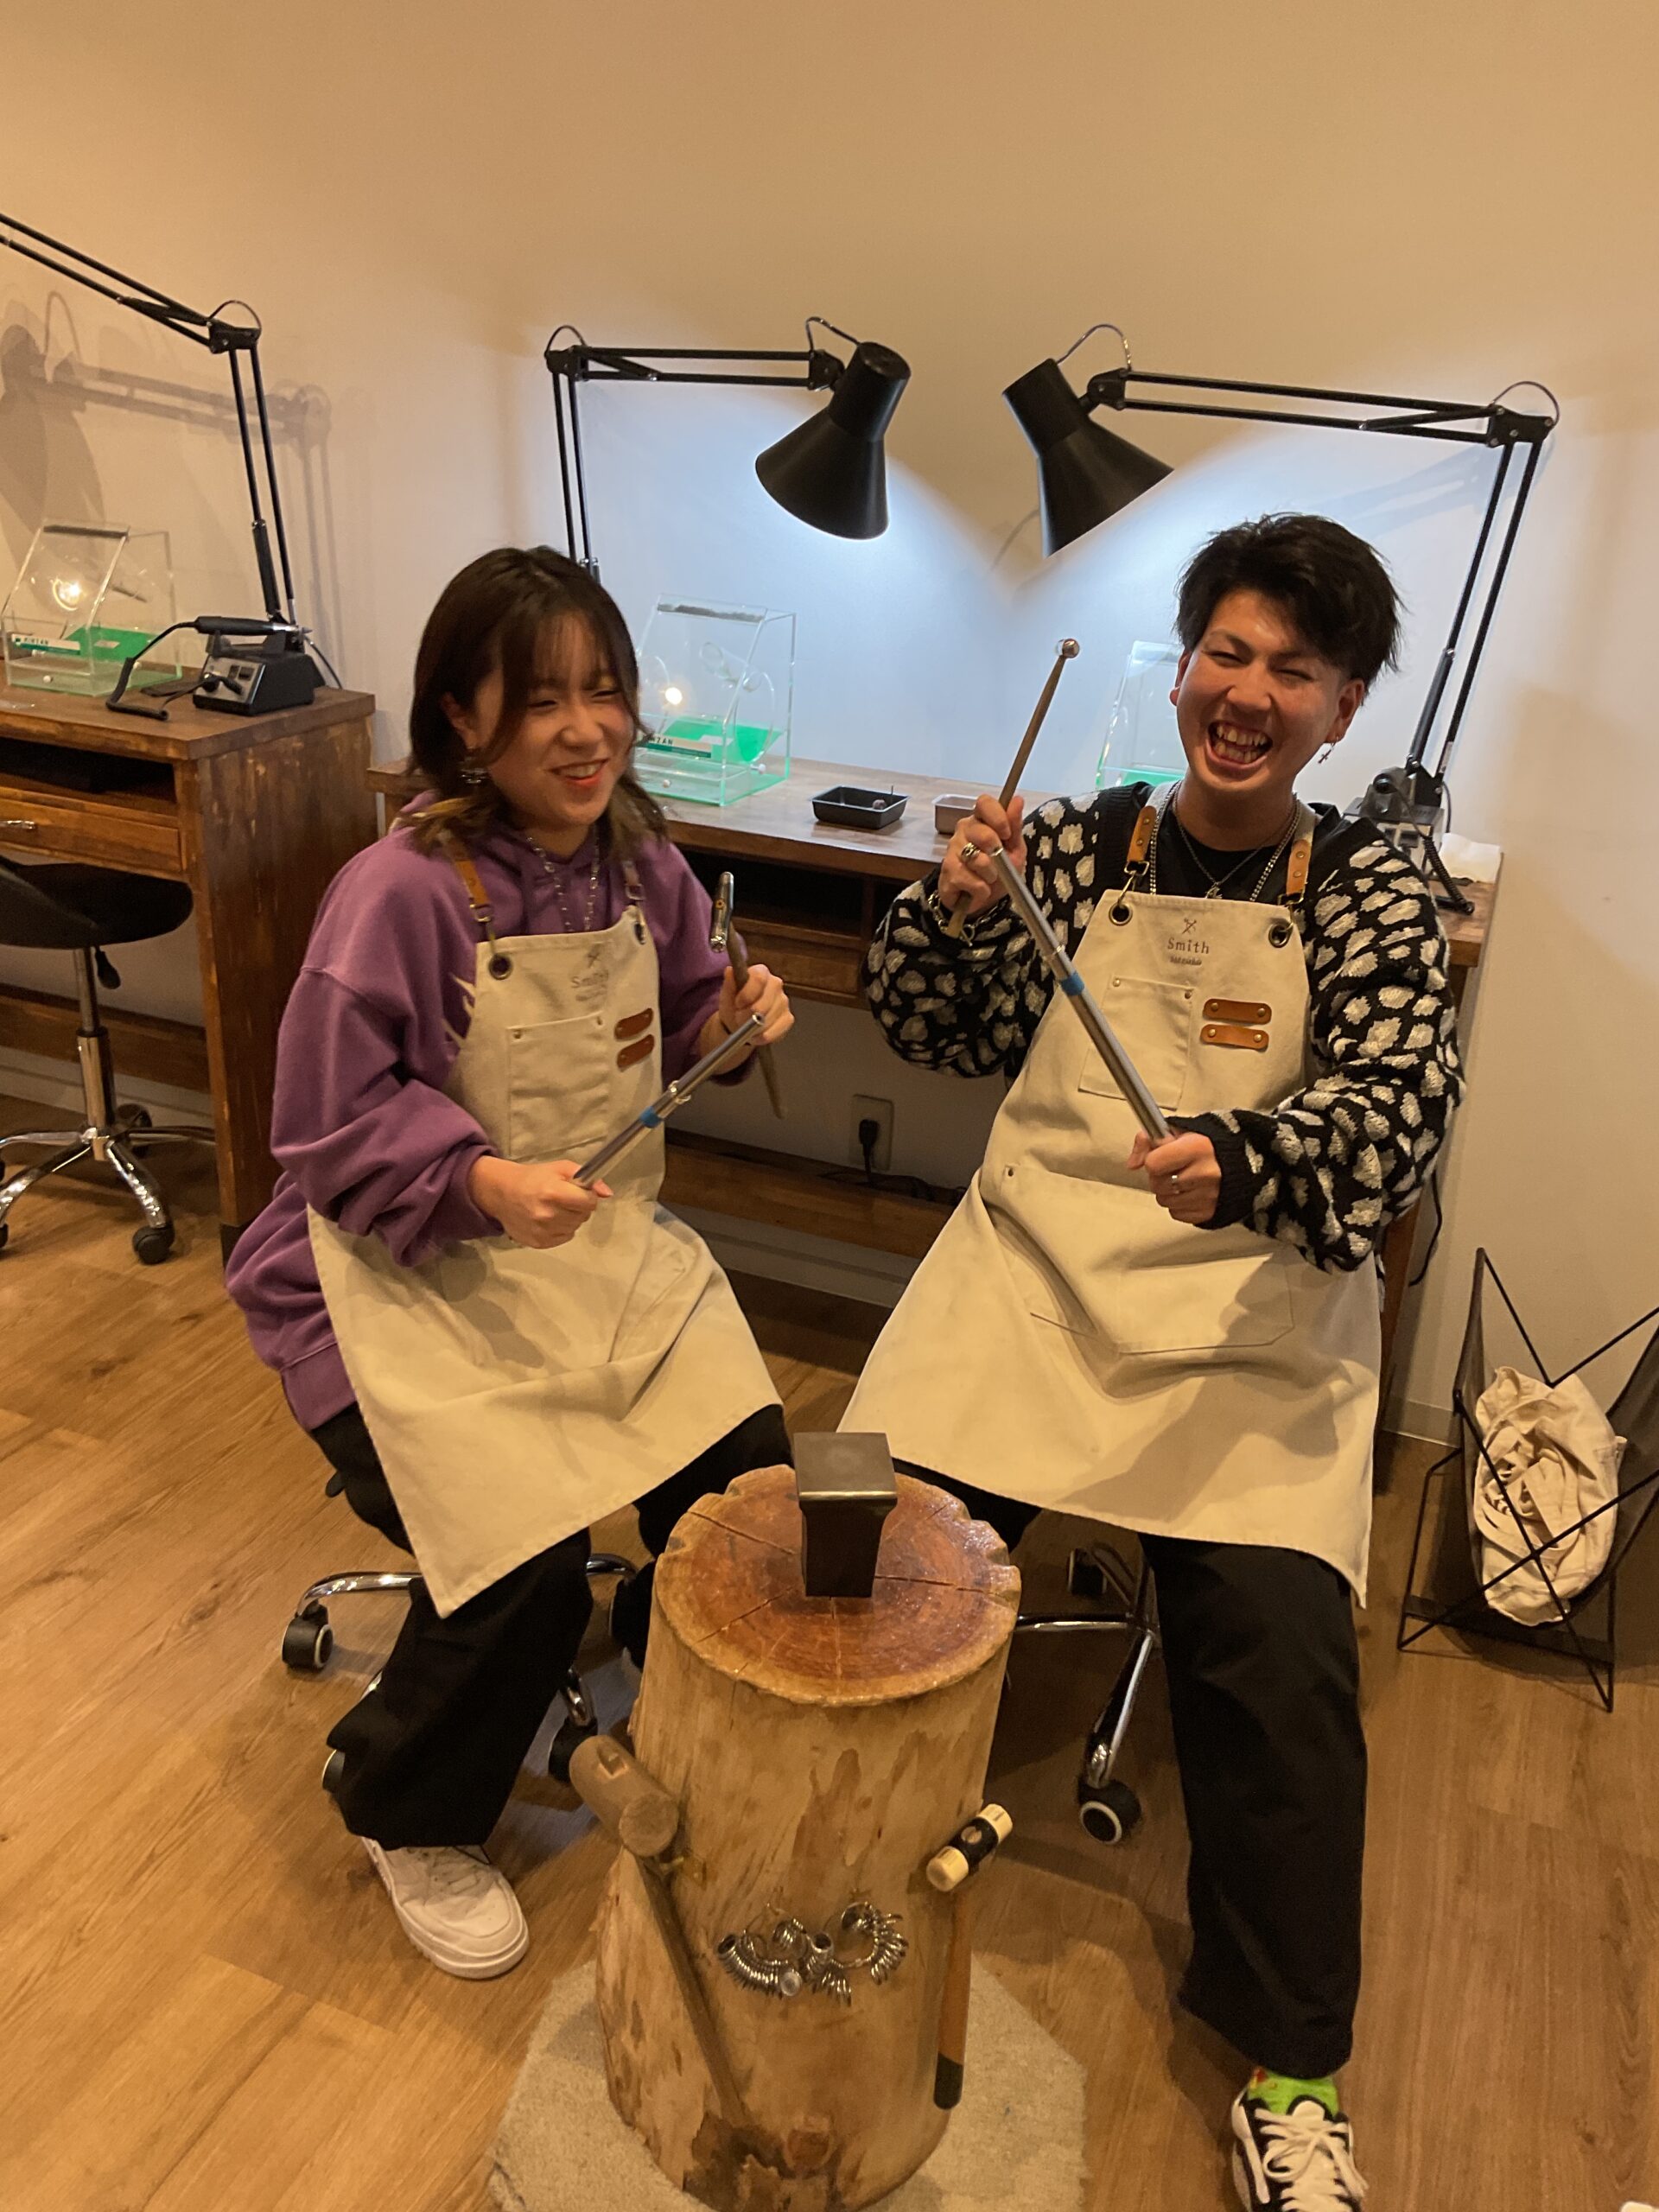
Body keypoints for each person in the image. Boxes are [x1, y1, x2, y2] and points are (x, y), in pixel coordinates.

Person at [845, 515, 1463, 2209]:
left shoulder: (1371, 886)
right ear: (1183, 665)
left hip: (1248, 1327)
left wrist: (1248, 1160)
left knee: (1280, 1667)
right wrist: (953, 912)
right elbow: (937, 1028)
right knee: (856, 1554)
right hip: (1031, 1280)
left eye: (1295, 672)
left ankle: (1293, 2074)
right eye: (1227, 653)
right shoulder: (1073, 840)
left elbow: (1399, 1111)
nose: (1249, 694)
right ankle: (814, 1877)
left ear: (1343, 710)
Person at [227, 547, 793, 1980]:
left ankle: (677, 1693)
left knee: (749, 1479)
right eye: (543, 700)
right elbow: (323, 1129)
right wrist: (474, 1180)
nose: (588, 730)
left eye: (606, 691)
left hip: (589, 1261)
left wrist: (732, 1017)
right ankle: (407, 1807)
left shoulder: (640, 864)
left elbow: (678, 1024)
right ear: (460, 717)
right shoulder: (399, 892)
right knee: (523, 1561)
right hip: (387, 1277)